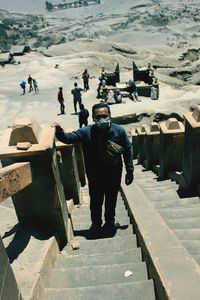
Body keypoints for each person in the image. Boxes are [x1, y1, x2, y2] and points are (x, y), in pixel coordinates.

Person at [52, 103, 134, 233]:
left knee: (111, 200)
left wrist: (130, 170)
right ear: (93, 118)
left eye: (104, 116)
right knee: (96, 201)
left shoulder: (119, 131)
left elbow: (128, 150)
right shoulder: (86, 131)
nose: (101, 119)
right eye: (98, 116)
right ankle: (96, 224)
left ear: (110, 116)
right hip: (95, 176)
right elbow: (68, 139)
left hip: (114, 174)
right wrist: (59, 130)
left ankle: (109, 222)